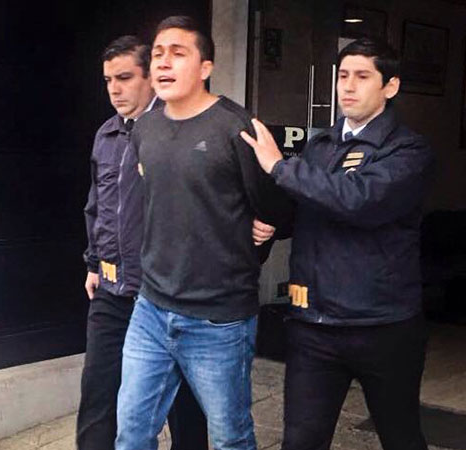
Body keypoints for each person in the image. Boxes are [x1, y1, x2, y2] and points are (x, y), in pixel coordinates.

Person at [241, 37, 434, 450]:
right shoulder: (321, 145)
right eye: (343, 75)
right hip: (314, 327)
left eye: (362, 76)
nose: (348, 86)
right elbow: (308, 205)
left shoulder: (408, 150)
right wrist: (274, 223)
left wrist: (279, 167)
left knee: (400, 437)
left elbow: (358, 200)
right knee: (301, 441)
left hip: (382, 326)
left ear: (391, 86)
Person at [115, 16, 291, 450]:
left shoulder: (237, 127)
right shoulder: (145, 128)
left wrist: (266, 228)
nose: (163, 63)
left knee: (230, 437)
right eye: (158, 54)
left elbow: (279, 207)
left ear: (206, 67)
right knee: (132, 433)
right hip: (151, 309)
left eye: (178, 53)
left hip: (219, 317)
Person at [78, 35, 209, 450]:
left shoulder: (174, 130)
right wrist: (94, 263)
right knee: (98, 396)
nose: (114, 89)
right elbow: (98, 204)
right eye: (108, 80)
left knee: (183, 406)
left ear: (150, 77)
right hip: (112, 291)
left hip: (162, 294)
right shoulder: (106, 134)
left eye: (124, 78)